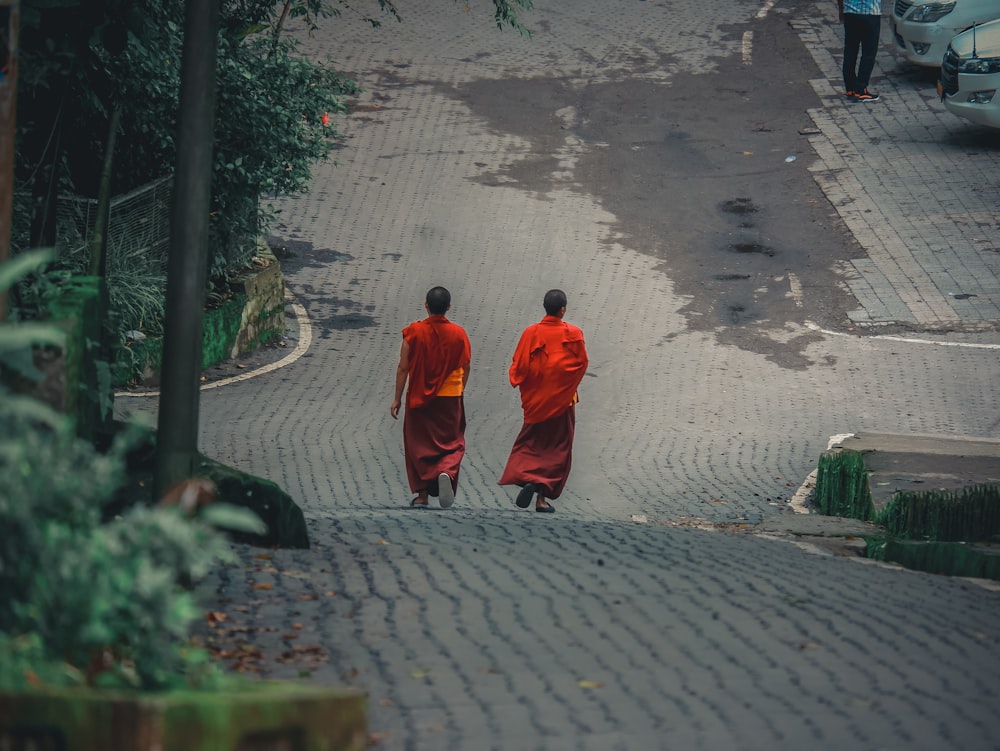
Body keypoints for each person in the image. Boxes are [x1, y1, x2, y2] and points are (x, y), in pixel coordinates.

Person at [499, 289, 588, 513]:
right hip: (564, 402)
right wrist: (564, 386)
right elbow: (581, 365)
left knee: (532, 445)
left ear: (544, 307)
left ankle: (529, 478)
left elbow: (519, 366)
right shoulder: (574, 333)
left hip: (537, 403)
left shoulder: (531, 333)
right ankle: (541, 497)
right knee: (557, 449)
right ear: (563, 310)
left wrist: (533, 385)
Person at [391, 286, 471, 508]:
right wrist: (459, 390)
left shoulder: (413, 332)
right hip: (451, 396)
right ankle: (445, 471)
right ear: (448, 308)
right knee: (452, 442)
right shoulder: (459, 333)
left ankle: (423, 494)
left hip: (418, 396)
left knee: (418, 444)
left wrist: (397, 398)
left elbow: (403, 367)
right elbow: (466, 365)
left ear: (425, 305)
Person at [839, 0, 883, 102]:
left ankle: (849, 88)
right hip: (871, 14)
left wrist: (841, 10)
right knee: (869, 53)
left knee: (850, 50)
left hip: (850, 13)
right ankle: (860, 89)